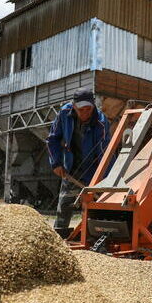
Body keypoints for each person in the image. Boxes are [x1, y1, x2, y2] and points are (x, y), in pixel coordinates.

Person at [46, 88, 111, 236]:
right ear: (74, 106)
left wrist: (99, 183)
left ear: (93, 106)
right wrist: (56, 163)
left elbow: (104, 155)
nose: (85, 113)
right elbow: (52, 139)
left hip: (94, 171)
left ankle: (91, 237)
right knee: (64, 205)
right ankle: (60, 236)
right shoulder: (64, 113)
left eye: (89, 109)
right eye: (81, 109)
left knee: (93, 209)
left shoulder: (101, 123)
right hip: (71, 168)